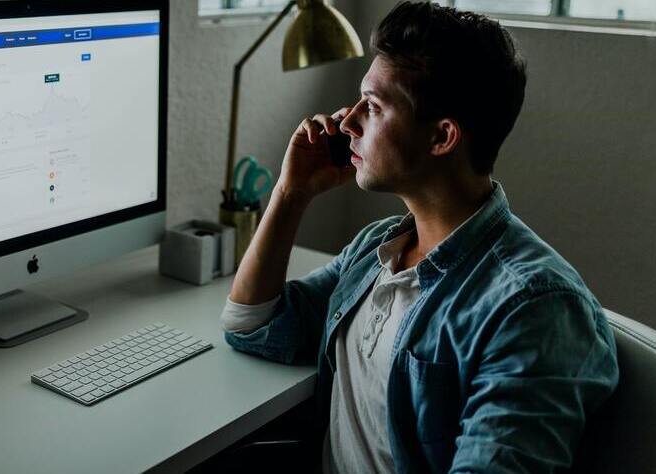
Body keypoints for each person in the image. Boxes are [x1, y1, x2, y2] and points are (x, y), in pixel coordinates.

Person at [220, 2, 619, 473]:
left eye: (372, 106)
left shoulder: (534, 308)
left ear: (442, 136)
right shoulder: (378, 250)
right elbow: (253, 326)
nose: (346, 122)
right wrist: (289, 195)